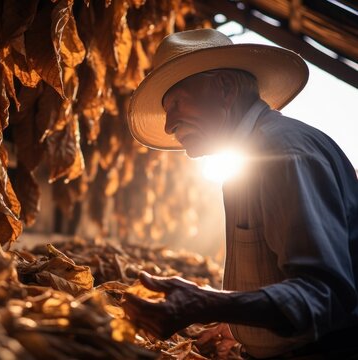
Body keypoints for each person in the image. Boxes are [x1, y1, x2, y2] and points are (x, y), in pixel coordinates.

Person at [124, 28, 358, 359]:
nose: (168, 125)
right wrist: (239, 324)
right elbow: (284, 281)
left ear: (225, 88)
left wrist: (207, 303)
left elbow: (323, 294)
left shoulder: (281, 152)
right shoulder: (250, 155)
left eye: (176, 103)